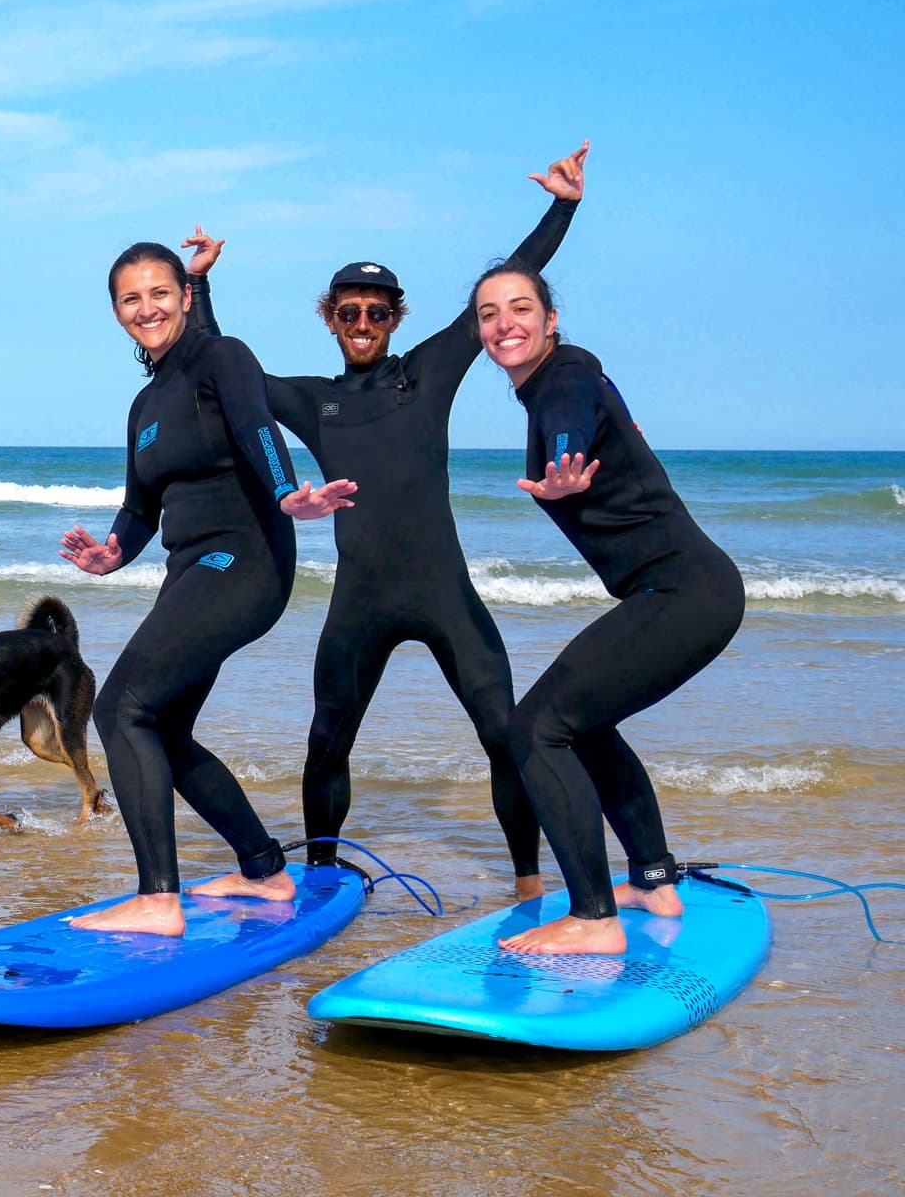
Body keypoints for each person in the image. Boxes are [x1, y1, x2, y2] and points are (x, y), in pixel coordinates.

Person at [188, 142, 587, 899]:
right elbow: (233, 376)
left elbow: (504, 290)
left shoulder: (427, 372)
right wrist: (203, 287)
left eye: (376, 312)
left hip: (444, 594)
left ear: (395, 318)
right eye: (350, 312)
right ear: (331, 320)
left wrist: (562, 206)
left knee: (506, 738)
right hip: (360, 602)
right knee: (326, 742)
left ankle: (530, 883)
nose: (363, 322)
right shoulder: (315, 400)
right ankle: (318, 880)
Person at [59, 241, 355, 937]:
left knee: (119, 708)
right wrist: (110, 554)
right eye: (131, 299)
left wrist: (287, 493)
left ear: (185, 296)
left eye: (159, 292)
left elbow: (257, 426)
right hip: (190, 569)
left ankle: (158, 899)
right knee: (160, 725)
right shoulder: (145, 405)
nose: (147, 308)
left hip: (245, 560)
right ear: (117, 312)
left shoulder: (222, 358)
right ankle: (264, 870)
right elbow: (140, 508)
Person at [472, 262, 743, 954]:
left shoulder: (561, 378)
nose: (505, 322)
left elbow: (569, 419)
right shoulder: (573, 375)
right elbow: (583, 400)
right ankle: (652, 878)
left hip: (683, 591)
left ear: (550, 320)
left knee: (535, 729)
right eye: (489, 313)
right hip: (687, 591)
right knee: (583, 727)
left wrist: (566, 462)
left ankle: (594, 919)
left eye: (521, 307)